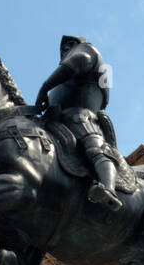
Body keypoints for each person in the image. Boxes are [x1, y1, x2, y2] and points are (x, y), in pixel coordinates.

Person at [34, 35, 127, 211]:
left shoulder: (88, 52)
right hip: (55, 120)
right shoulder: (79, 72)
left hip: (81, 116)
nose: (65, 51)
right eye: (63, 49)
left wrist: (44, 88)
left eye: (69, 45)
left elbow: (79, 61)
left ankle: (108, 188)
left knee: (94, 147)